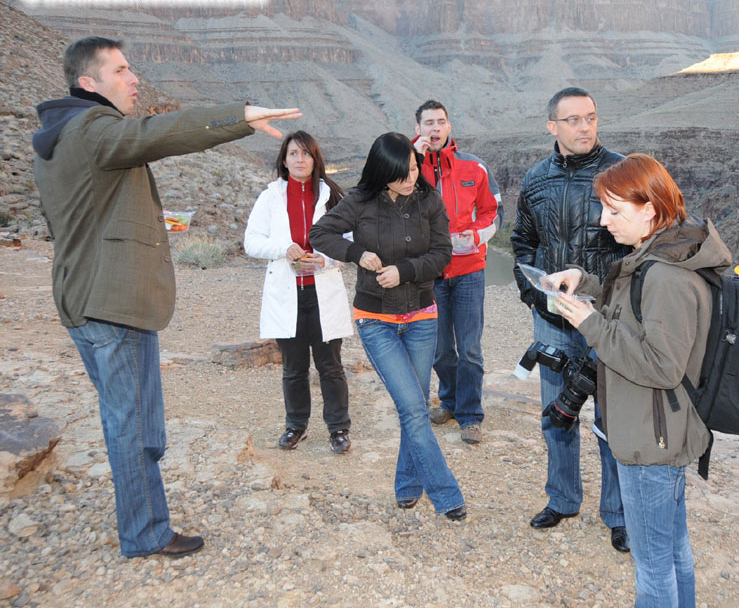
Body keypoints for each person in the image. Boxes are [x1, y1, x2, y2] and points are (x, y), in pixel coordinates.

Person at [31, 36, 300, 558]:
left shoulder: (59, 135)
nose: (134, 79)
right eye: (120, 70)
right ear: (88, 82)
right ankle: (145, 533)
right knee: (133, 425)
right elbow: (158, 134)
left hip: (85, 298)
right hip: (113, 303)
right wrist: (239, 116)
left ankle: (144, 524)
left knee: (127, 418)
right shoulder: (92, 128)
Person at [547, 153, 731, 608]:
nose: (603, 220)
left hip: (651, 439)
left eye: (614, 210)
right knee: (673, 551)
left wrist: (589, 324)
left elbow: (662, 365)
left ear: (649, 209)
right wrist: (584, 283)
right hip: (660, 429)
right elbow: (632, 313)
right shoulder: (660, 254)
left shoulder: (665, 274)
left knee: (653, 568)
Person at [309, 132, 466, 520]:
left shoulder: (429, 200)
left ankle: (408, 486)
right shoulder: (359, 201)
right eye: (400, 174)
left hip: (422, 316)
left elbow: (442, 254)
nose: (410, 179)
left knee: (414, 407)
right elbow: (319, 233)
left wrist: (405, 271)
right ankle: (447, 495)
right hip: (376, 320)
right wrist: (356, 253)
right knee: (413, 408)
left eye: (413, 169)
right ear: (382, 173)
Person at [510, 86, 629, 552]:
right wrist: (532, 295)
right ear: (552, 127)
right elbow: (523, 242)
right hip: (554, 320)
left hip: (606, 320)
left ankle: (618, 514)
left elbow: (638, 247)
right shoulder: (536, 178)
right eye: (574, 120)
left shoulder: (619, 174)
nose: (585, 127)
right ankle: (562, 499)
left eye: (591, 117)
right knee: (557, 414)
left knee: (611, 420)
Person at [244, 131, 354, 454]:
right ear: (284, 159)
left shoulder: (332, 196)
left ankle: (338, 428)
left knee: (330, 366)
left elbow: (350, 240)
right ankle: (296, 426)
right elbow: (252, 242)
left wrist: (326, 258)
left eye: (306, 153)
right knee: (293, 368)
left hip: (322, 294)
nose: (300, 159)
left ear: (315, 158)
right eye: (293, 153)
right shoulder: (270, 198)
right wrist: (284, 247)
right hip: (286, 295)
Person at [412, 99, 502, 445]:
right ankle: (449, 401)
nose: (435, 128)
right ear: (418, 129)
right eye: (428, 123)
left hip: (469, 270)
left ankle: (470, 414)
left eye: (440, 122)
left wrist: (475, 236)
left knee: (470, 348)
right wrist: (414, 159)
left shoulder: (474, 166)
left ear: (449, 126)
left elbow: (493, 211)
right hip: (428, 272)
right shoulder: (407, 167)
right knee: (439, 350)